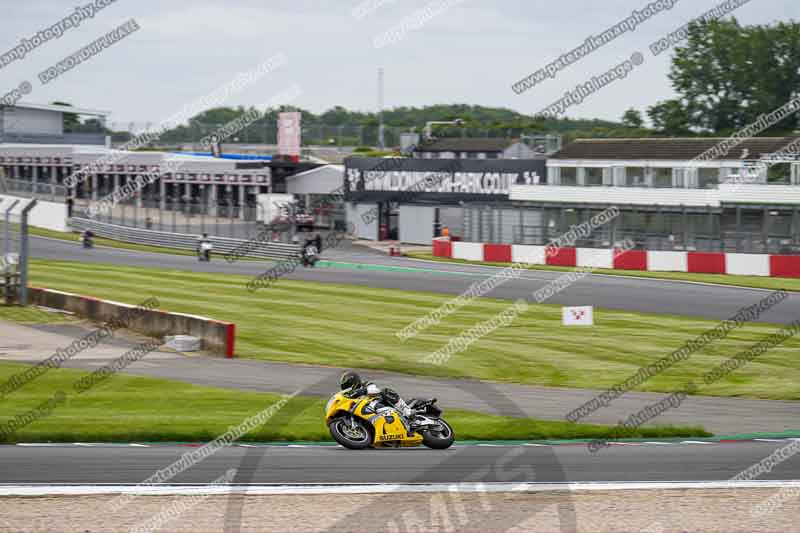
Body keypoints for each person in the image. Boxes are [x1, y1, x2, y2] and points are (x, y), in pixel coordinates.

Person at [339, 371, 414, 423]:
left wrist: (362, 391)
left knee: (385, 391)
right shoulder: (351, 396)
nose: (347, 388)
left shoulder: (365, 384)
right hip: (370, 412)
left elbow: (375, 390)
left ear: (353, 381)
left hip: (381, 403)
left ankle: (407, 412)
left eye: (347, 385)